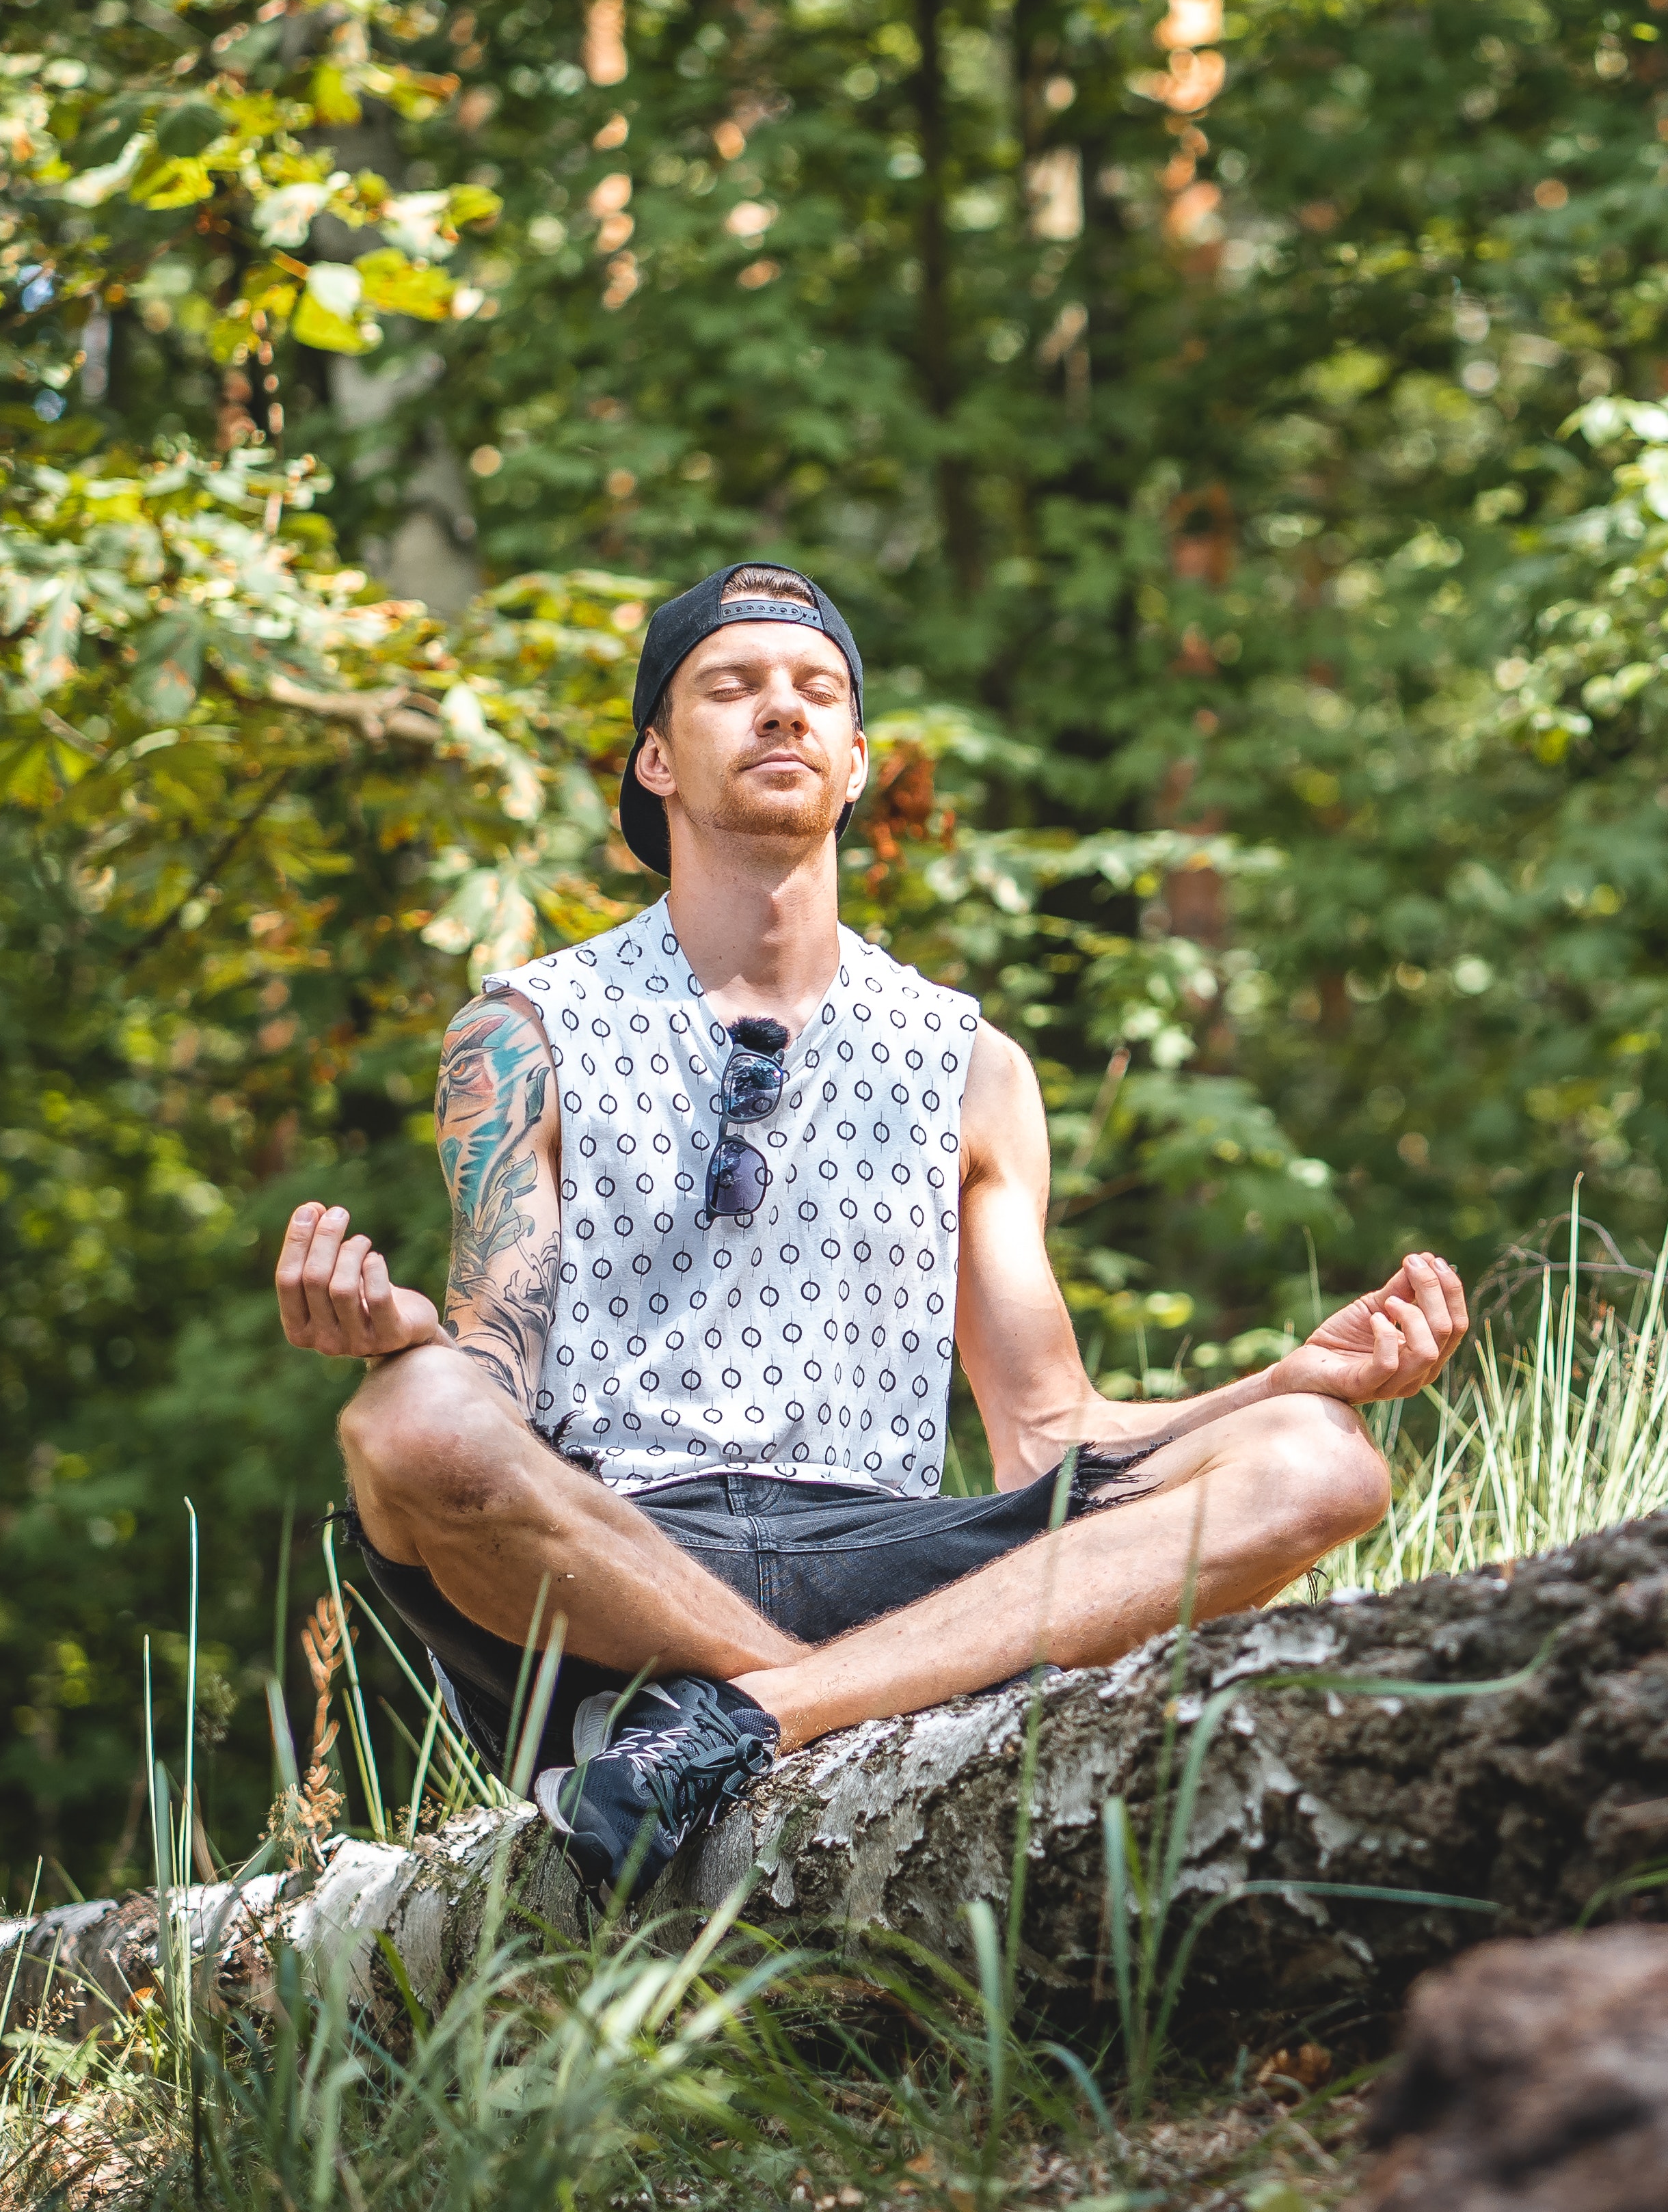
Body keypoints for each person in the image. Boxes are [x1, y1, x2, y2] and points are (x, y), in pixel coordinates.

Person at [273, 561, 1470, 1889]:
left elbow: (1048, 1430)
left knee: (1320, 1460)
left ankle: (737, 1726)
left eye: (815, 691)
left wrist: (1286, 1377)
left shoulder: (969, 1064)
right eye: (731, 687)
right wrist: (411, 1336)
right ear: (656, 760)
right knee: (408, 1420)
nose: (779, 711)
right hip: (611, 1554)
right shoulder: (526, 1031)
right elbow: (497, 1372)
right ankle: (817, 1701)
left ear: (853, 764)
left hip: (883, 1550)